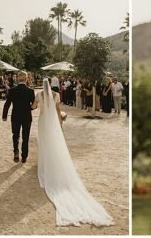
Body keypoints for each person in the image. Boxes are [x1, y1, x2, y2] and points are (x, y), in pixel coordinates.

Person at [34, 78, 114, 227]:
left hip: (43, 120)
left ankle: (45, 164)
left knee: (43, 143)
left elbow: (33, 107)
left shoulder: (39, 95)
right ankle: (53, 162)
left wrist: (29, 105)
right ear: (51, 84)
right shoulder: (56, 94)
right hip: (52, 122)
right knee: (53, 144)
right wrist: (59, 123)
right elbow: (58, 111)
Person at [2, 71, 36, 163]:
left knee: (15, 135)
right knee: (26, 137)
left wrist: (4, 116)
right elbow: (34, 105)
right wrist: (29, 108)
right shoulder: (30, 91)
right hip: (27, 116)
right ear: (26, 79)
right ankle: (24, 156)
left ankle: (16, 152)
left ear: (17, 78)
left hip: (15, 116)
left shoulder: (12, 90)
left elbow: (7, 104)